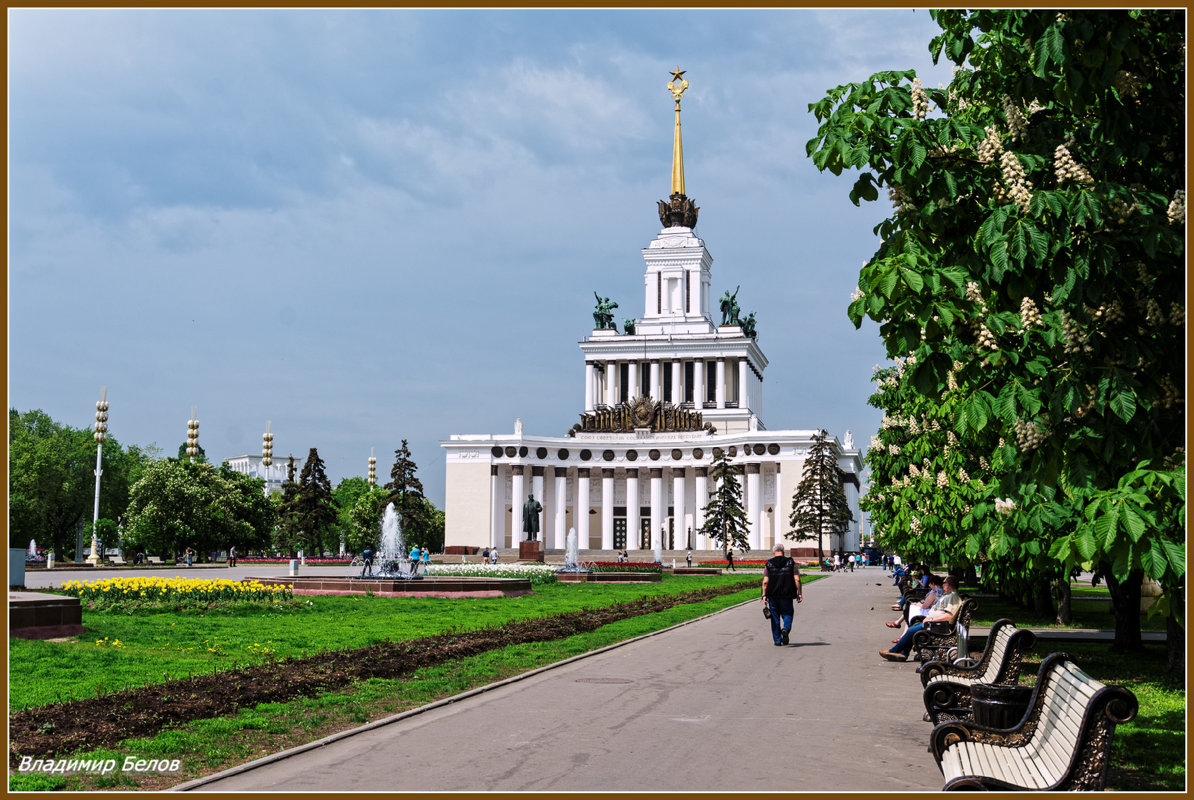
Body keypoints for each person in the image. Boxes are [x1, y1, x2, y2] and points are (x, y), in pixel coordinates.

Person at [881, 576, 962, 661]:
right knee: (912, 629)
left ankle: (894, 651)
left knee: (911, 630)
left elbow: (949, 616)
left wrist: (931, 620)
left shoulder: (953, 596)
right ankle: (902, 653)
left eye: (944, 583)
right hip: (935, 624)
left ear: (948, 585)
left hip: (938, 626)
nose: (942, 584)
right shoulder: (949, 595)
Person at [761, 543, 803, 646]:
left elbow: (765, 582)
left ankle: (777, 640)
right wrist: (800, 593)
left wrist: (764, 595)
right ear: (784, 552)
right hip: (787, 594)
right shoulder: (791, 562)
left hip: (773, 595)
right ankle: (786, 629)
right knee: (788, 614)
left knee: (774, 618)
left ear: (773, 552)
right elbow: (797, 579)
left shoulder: (769, 564)